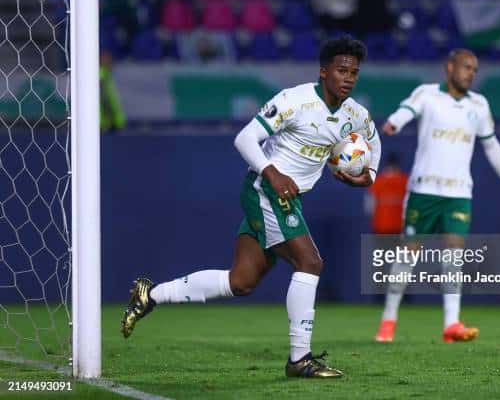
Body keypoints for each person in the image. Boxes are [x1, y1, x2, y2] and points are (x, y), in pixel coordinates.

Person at [121, 36, 381, 378]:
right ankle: (299, 359)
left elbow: (373, 139)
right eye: (341, 70)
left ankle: (149, 294)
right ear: (323, 72)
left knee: (240, 282)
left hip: (291, 198)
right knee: (310, 262)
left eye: (354, 73)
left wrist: (370, 174)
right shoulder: (293, 101)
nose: (348, 78)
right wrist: (272, 173)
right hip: (265, 191)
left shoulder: (354, 114)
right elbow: (244, 138)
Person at [374, 48, 500, 343]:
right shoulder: (428, 94)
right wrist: (395, 121)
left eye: (475, 69)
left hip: (458, 193)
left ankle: (451, 324)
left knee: (454, 257)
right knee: (407, 257)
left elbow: (492, 147)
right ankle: (388, 320)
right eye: (466, 67)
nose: (471, 73)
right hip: (423, 190)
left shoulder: (479, 105)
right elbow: (407, 109)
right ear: (449, 67)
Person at [365, 153, 408, 234]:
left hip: (381, 225)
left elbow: (369, 207)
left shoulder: (377, 182)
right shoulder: (405, 181)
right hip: (400, 226)